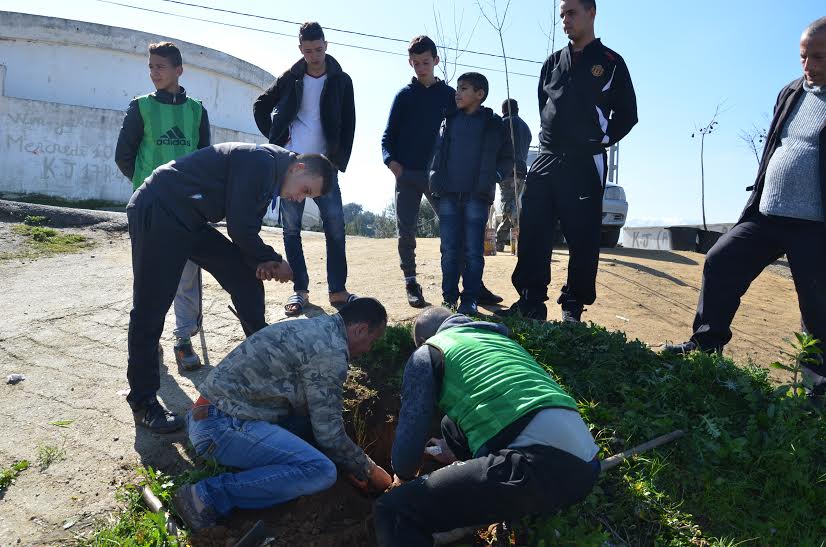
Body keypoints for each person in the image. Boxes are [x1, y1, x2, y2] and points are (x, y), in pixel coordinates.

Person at [664, 17, 826, 405]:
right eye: (804, 57)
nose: (809, 66)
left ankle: (817, 386)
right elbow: (775, 146)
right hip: (767, 213)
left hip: (816, 225)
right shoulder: (790, 91)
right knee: (720, 261)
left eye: (818, 57)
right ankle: (705, 346)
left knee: (818, 303)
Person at [126, 143, 335, 433]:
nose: (300, 199)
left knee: (244, 277)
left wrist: (260, 263)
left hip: (190, 219)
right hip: (160, 209)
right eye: (306, 191)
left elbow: (245, 230)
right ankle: (143, 402)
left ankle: (265, 361)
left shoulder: (272, 174)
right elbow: (240, 229)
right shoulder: (262, 162)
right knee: (150, 309)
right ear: (299, 168)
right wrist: (274, 260)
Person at [373, 307, 600, 546]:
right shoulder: (499, 341)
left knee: (394, 511)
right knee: (450, 425)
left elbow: (411, 429)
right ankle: (474, 476)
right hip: (586, 464)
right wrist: (449, 448)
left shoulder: (428, 352)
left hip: (538, 466)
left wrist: (403, 475)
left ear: (421, 341)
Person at [171, 298, 394, 531]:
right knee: (321, 471)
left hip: (215, 413)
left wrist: (348, 464)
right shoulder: (330, 353)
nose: (369, 349)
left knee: (310, 433)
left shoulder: (317, 327)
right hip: (219, 426)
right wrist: (369, 470)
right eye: (373, 340)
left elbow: (318, 420)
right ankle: (205, 496)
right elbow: (329, 435)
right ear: (360, 329)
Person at [498, 0, 637, 322]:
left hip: (585, 161)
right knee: (533, 229)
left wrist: (599, 139)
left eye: (571, 13)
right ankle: (531, 301)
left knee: (583, 234)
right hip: (546, 158)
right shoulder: (551, 63)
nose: (565, 20)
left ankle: (573, 305)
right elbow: (543, 104)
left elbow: (628, 115)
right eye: (561, 15)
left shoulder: (611, 62)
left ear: (592, 12)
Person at [381, 35, 504, 308]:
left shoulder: (451, 96)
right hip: (408, 175)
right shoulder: (403, 96)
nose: (421, 68)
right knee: (407, 232)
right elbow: (387, 138)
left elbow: (468, 126)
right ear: (410, 63)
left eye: (425, 62)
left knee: (458, 235)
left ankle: (474, 287)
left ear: (435, 61)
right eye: (415, 63)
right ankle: (411, 283)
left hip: (441, 179)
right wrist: (391, 162)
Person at [114, 41, 211, 371]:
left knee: (186, 276)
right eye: (151, 67)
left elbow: (205, 160)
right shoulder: (140, 107)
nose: (154, 72)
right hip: (149, 210)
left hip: (187, 210)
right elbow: (123, 156)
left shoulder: (197, 110)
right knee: (149, 278)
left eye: (161, 66)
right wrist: (146, 188)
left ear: (178, 70)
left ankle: (183, 340)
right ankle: (149, 339)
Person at [253, 22, 356, 317]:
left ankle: (338, 290)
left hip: (325, 167)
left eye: (319, 49)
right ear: (300, 49)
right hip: (291, 166)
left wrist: (338, 160)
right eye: (308, 50)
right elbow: (261, 105)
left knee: (335, 227)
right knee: (291, 230)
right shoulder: (291, 77)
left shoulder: (341, 80)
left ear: (326, 44)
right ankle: (299, 291)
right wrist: (276, 139)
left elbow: (349, 122)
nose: (314, 55)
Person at [429, 72, 513, 315]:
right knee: (449, 249)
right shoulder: (448, 120)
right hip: (448, 196)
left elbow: (508, 158)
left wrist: (495, 176)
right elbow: (437, 153)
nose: (457, 93)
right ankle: (449, 299)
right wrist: (435, 178)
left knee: (474, 251)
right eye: (457, 88)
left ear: (480, 94)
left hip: (477, 196)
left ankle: (470, 300)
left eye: (463, 88)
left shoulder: (494, 124)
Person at [497, 98, 532, 252]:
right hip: (521, 171)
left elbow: (495, 147)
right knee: (513, 204)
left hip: (506, 170)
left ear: (504, 109)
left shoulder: (503, 124)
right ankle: (499, 240)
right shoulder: (526, 127)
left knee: (507, 207)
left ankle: (525, 234)